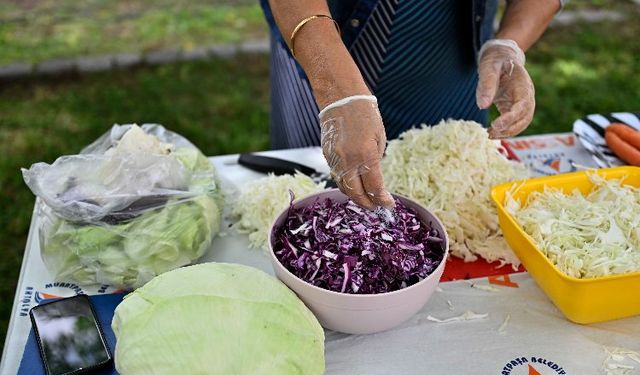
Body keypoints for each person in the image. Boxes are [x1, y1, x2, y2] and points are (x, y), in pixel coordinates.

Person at [261, 0, 562, 209]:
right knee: (315, 195)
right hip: (324, 53)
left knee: (454, 199)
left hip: (456, 70)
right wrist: (336, 90)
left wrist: (507, 45)